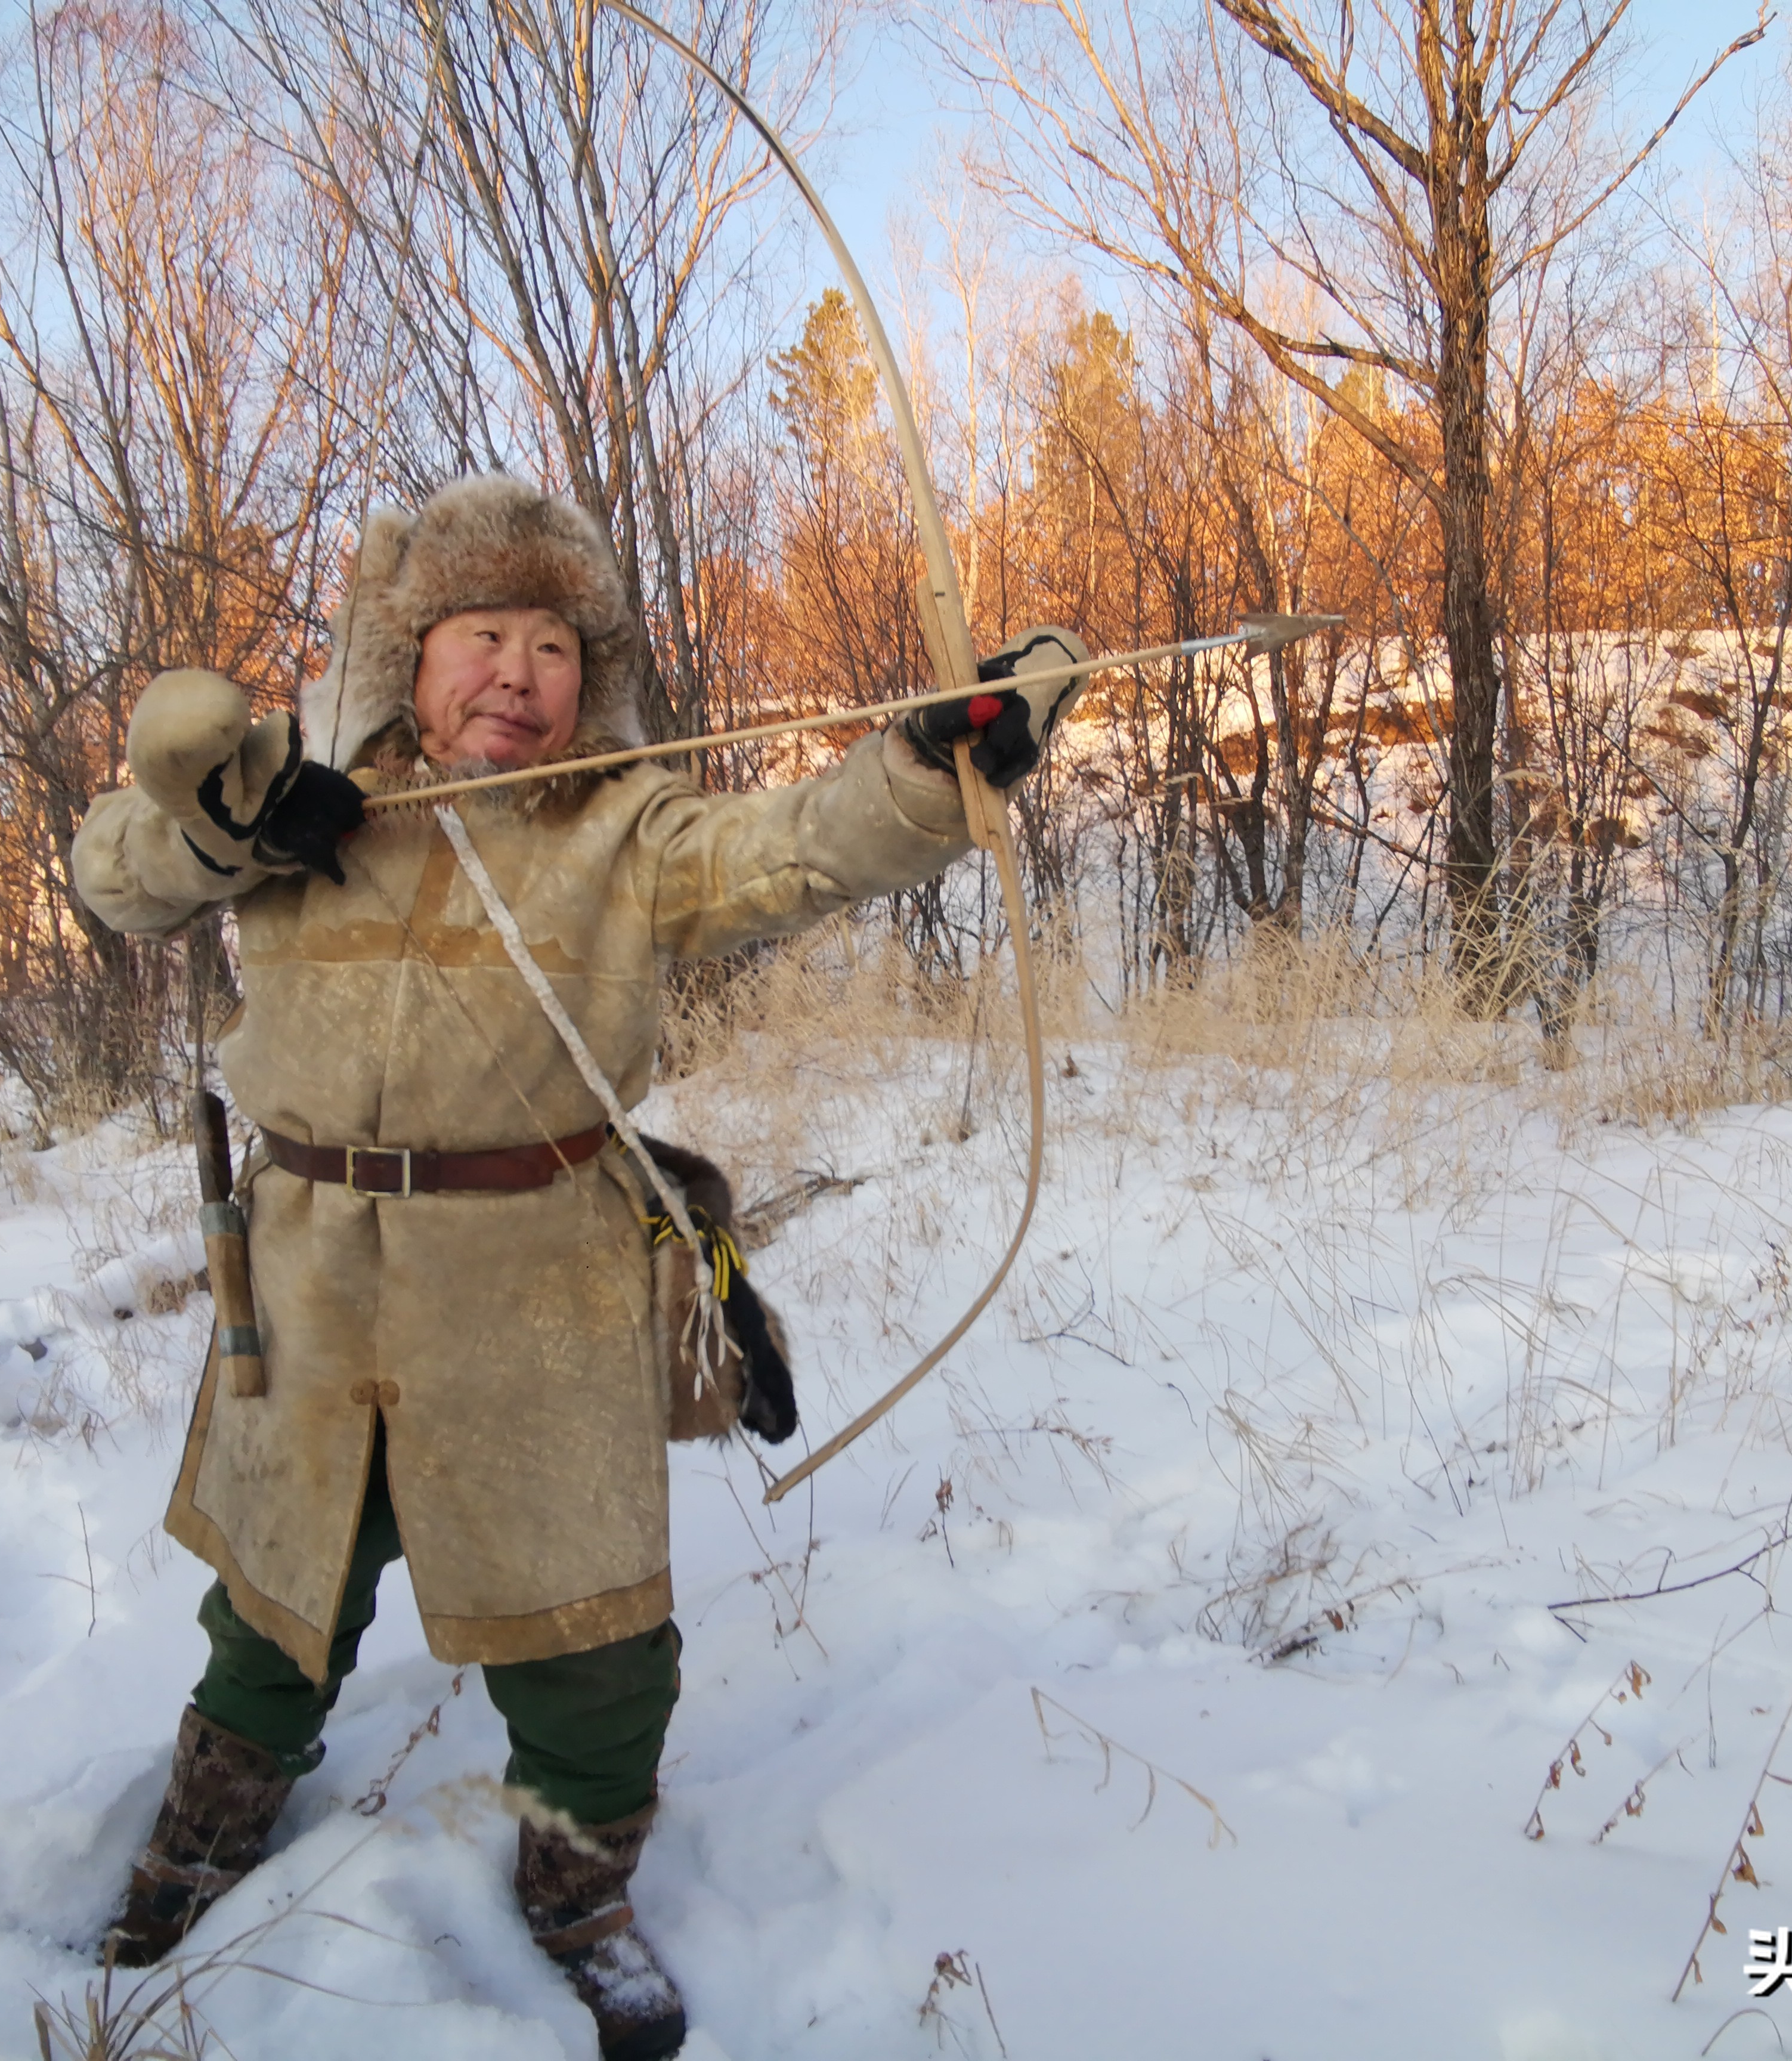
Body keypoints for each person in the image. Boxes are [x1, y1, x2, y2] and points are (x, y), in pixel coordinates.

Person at [69, 474, 1081, 2060]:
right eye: (484, 634)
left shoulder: (627, 826)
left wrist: (930, 768)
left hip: (537, 1286)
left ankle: (580, 1901)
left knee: (598, 1643)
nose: (518, 673)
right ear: (415, 655)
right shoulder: (302, 792)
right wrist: (231, 822)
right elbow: (118, 870)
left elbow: (792, 851)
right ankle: (199, 1841)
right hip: (316, 1281)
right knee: (276, 1606)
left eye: (552, 643)